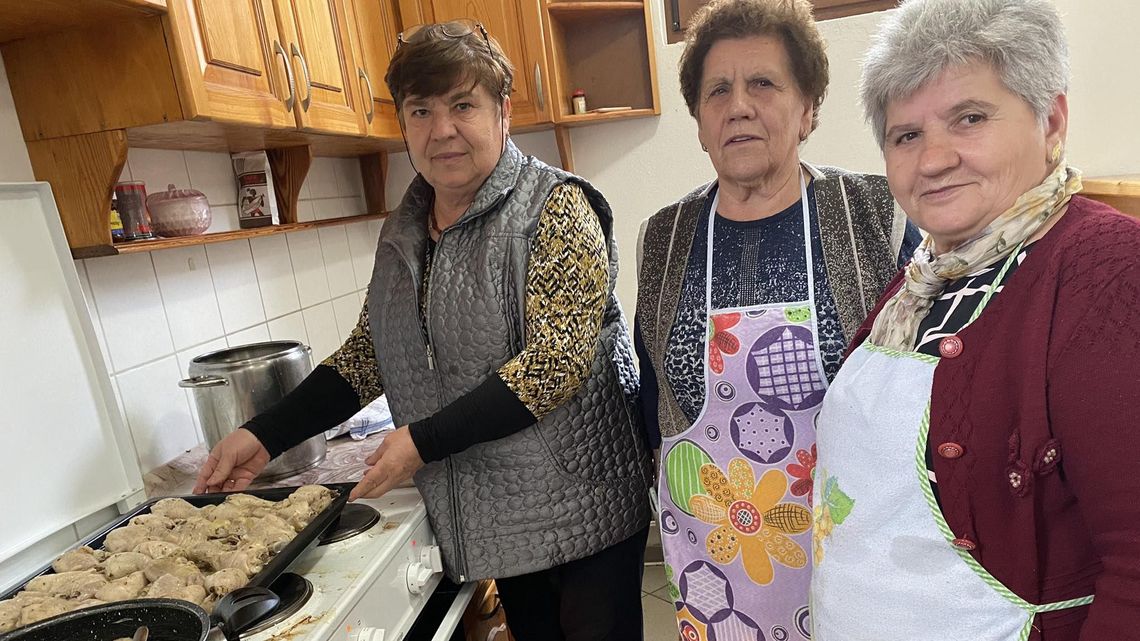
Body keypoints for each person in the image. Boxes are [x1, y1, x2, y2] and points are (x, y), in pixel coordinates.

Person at [193, 20, 653, 641]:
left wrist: (422, 441)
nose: (442, 130)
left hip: (584, 504)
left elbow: (554, 366)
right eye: (421, 110)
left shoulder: (556, 207)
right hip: (499, 513)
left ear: (502, 111)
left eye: (463, 105)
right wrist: (263, 434)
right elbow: (368, 356)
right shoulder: (404, 231)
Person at [810, 0, 1140, 639]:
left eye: (969, 118)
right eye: (906, 135)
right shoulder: (923, 283)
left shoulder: (1106, 272)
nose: (932, 160)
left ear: (1051, 121)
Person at [634, 0, 920, 637]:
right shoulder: (664, 240)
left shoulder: (875, 217)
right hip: (719, 573)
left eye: (763, 83)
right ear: (701, 120)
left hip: (859, 560)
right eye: (717, 90)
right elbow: (654, 396)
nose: (738, 105)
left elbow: (924, 397)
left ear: (808, 107)